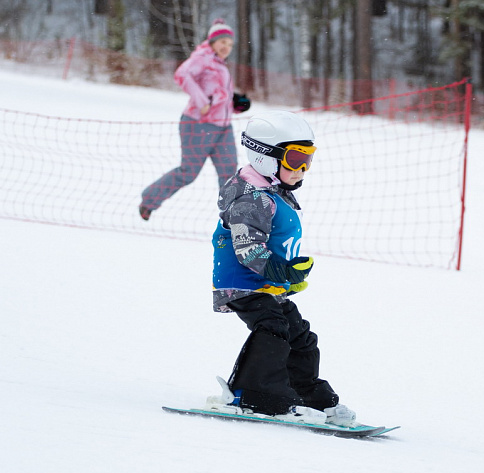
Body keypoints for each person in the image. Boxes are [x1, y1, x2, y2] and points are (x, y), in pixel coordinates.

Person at [207, 110, 356, 427]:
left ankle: (305, 395)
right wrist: (281, 271)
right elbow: (248, 249)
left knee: (301, 336)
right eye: (295, 159)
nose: (302, 169)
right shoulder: (250, 198)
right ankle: (250, 395)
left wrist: (289, 275)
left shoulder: (274, 192)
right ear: (265, 157)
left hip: (265, 285)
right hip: (242, 284)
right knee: (273, 329)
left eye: (307, 159)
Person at [139, 18, 251, 221]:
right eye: (222, 42)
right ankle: (149, 200)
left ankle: (233, 219)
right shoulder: (202, 57)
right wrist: (202, 102)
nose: (226, 47)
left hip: (223, 127)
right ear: (212, 41)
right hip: (198, 125)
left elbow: (214, 92)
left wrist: (234, 103)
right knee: (188, 172)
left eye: (230, 44)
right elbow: (181, 75)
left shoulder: (220, 64)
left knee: (229, 174)